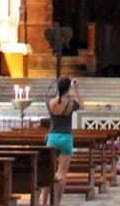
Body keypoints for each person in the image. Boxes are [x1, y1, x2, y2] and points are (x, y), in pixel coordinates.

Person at [46, 77, 82, 205]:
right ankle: (57, 202)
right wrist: (76, 91)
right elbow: (82, 105)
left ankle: (44, 201)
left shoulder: (50, 102)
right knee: (62, 172)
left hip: (52, 137)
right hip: (66, 138)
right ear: (68, 88)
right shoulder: (71, 104)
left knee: (48, 172)